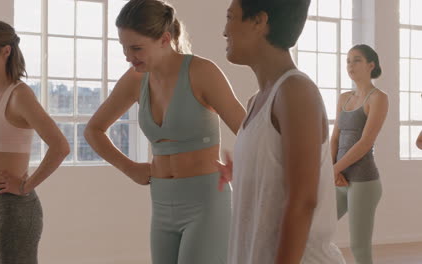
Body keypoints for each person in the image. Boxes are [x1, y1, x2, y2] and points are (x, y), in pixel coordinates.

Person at [84, 0, 246, 263]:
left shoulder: (202, 72)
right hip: (161, 204)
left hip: (206, 203)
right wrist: (129, 168)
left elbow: (249, 129)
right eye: (124, 48)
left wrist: (243, 163)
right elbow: (94, 130)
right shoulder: (136, 79)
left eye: (136, 48)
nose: (128, 56)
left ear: (164, 39)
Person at [217, 0, 345, 263]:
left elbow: (303, 202)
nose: (225, 31)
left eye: (231, 17)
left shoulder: (295, 91)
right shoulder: (257, 101)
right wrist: (244, 171)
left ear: (259, 21)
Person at [0, 20, 70, 264]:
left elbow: (60, 146)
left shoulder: (20, 95)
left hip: (13, 208)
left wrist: (26, 186)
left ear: (5, 51)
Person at [332, 44, 388, 264]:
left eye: (356, 60)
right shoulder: (344, 97)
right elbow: (335, 137)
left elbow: (365, 142)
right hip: (339, 178)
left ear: (370, 65)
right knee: (313, 228)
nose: (350, 65)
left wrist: (335, 168)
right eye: (348, 60)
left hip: (363, 181)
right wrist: (332, 169)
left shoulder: (378, 98)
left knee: (358, 245)